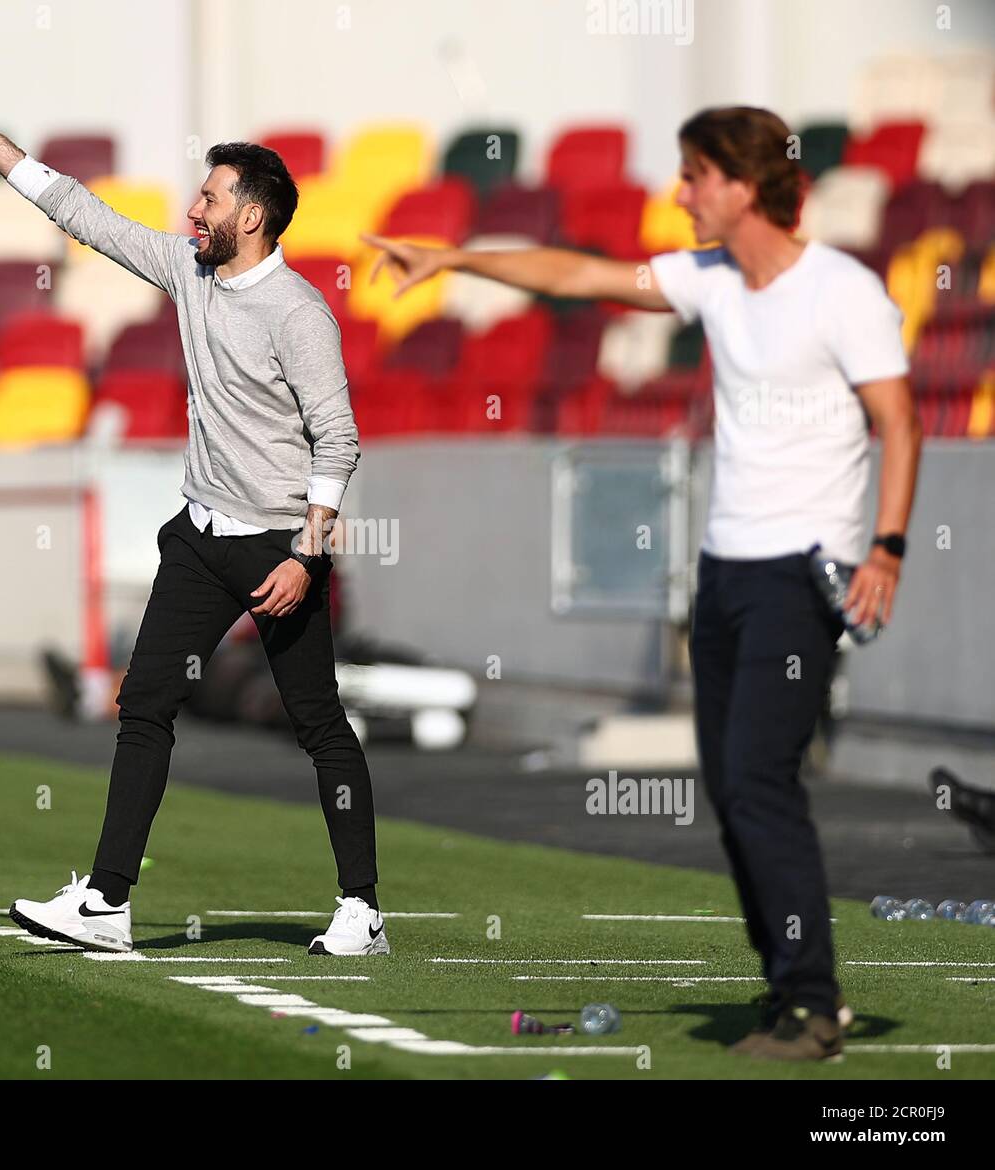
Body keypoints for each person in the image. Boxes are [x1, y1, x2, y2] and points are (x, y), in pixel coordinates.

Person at [365, 106, 922, 1058]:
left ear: (743, 187)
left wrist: (889, 549)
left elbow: (900, 424)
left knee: (757, 777)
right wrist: (454, 259)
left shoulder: (844, 292)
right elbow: (576, 275)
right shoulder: (708, 279)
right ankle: (787, 987)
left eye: (696, 176)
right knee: (731, 784)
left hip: (803, 575)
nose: (680, 193)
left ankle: (813, 1002)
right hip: (724, 576)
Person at [0, 83, 388, 957]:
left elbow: (339, 440)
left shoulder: (299, 314)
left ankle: (361, 907)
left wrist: (307, 554)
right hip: (200, 537)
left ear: (250, 216)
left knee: (317, 722)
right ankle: (107, 902)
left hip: (277, 547)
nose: (193, 208)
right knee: (144, 704)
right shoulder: (189, 267)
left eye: (210, 197)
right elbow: (83, 214)